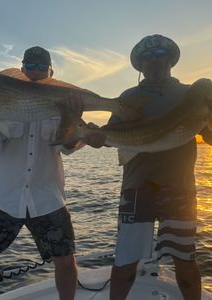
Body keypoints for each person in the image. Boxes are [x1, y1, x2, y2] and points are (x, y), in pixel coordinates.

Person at [85, 34, 212, 300]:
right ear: (140, 65)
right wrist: (97, 138)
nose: (154, 61)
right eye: (148, 57)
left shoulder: (191, 94)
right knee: (125, 262)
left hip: (179, 189)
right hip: (136, 187)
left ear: (170, 60)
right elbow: (114, 135)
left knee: (184, 259)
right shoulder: (128, 96)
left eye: (159, 55)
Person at [0, 46, 83, 300]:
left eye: (41, 67)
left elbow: (68, 146)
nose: (35, 71)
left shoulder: (62, 102)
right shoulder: (2, 100)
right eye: (30, 66)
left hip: (47, 197)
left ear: (51, 72)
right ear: (22, 69)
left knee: (66, 262)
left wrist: (72, 117)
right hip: (4, 197)